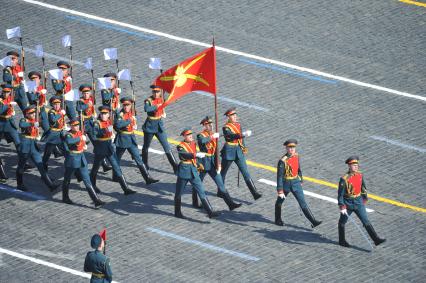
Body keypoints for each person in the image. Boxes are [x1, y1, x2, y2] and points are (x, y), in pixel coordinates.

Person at [192, 116, 241, 210]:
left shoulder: (214, 134)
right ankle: (195, 202)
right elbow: (202, 141)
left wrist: (218, 163)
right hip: (203, 163)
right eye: (208, 124)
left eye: (211, 124)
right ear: (204, 126)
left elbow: (216, 151)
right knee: (198, 183)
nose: (211, 125)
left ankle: (230, 204)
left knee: (220, 183)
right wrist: (211, 137)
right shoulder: (201, 135)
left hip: (212, 163)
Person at [338, 156, 386, 247]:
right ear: (349, 166)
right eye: (353, 165)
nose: (356, 167)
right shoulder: (344, 179)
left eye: (357, 165)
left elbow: (363, 187)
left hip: (359, 202)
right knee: (342, 222)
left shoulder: (360, 175)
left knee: (366, 221)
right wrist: (342, 206)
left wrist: (364, 198)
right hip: (348, 204)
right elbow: (340, 194)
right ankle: (341, 240)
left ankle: (376, 239)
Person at [175, 127, 220, 219]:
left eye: (191, 134)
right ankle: (177, 212)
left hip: (193, 170)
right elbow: (184, 155)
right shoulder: (180, 146)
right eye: (188, 135)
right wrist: (195, 155)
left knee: (201, 190)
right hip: (184, 171)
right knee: (179, 192)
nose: (191, 136)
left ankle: (210, 211)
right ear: (184, 136)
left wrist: (199, 163)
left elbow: (195, 156)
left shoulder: (193, 144)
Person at [275, 139, 322, 227]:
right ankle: (278, 219)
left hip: (296, 182)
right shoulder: (282, 161)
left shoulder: (296, 156)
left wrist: (300, 179)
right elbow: (279, 176)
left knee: (302, 202)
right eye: (289, 147)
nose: (292, 149)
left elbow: (298, 169)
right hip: (286, 183)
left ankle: (313, 221)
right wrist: (280, 191)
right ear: (286, 148)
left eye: (293, 147)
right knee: (279, 201)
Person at [90, 105, 135, 195]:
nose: (103, 115)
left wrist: (112, 135)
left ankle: (125, 188)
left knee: (116, 166)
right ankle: (93, 186)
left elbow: (114, 126)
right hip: (100, 149)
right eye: (102, 113)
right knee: (95, 168)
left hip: (109, 148)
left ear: (108, 115)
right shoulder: (97, 123)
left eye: (105, 114)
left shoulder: (109, 121)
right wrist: (103, 133)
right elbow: (93, 136)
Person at [114, 97, 159, 185]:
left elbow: (133, 119)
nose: (126, 107)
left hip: (131, 138)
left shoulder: (132, 111)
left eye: (128, 105)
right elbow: (118, 125)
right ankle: (115, 175)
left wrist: (134, 123)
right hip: (122, 139)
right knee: (117, 158)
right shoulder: (120, 114)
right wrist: (129, 121)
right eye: (125, 105)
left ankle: (147, 178)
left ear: (131, 105)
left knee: (138, 158)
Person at [220, 107, 261, 200]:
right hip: (229, 152)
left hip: (238, 151)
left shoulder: (238, 125)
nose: (234, 116)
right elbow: (230, 136)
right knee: (223, 173)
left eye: (235, 115)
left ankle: (255, 193)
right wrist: (242, 134)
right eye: (232, 115)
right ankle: (220, 191)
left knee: (245, 172)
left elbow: (241, 139)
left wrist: (243, 147)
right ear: (228, 117)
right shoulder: (226, 127)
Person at [62, 119, 105, 207]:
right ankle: (65, 197)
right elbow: (69, 142)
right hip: (72, 159)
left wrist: (84, 144)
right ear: (71, 126)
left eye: (78, 125)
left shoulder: (79, 132)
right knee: (67, 178)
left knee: (87, 179)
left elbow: (82, 142)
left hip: (81, 158)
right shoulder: (68, 135)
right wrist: (80, 138)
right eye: (74, 126)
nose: (77, 127)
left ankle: (96, 200)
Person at [16, 105, 59, 192]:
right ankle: (19, 184)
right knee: (21, 166)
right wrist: (32, 123)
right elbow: (22, 124)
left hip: (33, 147)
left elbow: (43, 121)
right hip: (25, 146)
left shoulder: (35, 120)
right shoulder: (24, 120)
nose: (33, 114)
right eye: (31, 113)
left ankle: (50, 185)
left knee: (40, 165)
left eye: (34, 113)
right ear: (26, 114)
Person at [141, 85, 178, 172]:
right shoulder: (148, 101)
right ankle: (144, 163)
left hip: (159, 127)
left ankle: (175, 166)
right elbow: (146, 109)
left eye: (158, 92)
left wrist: (174, 95)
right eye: (154, 92)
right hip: (150, 126)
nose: (156, 93)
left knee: (166, 146)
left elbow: (170, 99)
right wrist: (157, 106)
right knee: (146, 146)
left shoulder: (162, 98)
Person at [76, 84, 111, 172]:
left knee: (97, 142)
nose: (86, 95)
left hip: (91, 123)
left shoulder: (91, 98)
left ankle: (104, 164)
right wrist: (88, 105)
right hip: (82, 124)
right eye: (84, 93)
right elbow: (78, 108)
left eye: (87, 93)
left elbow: (93, 104)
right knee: (79, 145)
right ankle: (78, 169)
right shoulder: (80, 101)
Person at [42, 96, 66, 171]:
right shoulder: (51, 112)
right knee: (47, 154)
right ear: (52, 105)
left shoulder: (60, 111)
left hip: (60, 134)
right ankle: (44, 170)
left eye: (58, 104)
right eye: (55, 104)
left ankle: (77, 173)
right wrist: (61, 114)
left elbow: (62, 121)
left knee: (66, 151)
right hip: (53, 135)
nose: (57, 106)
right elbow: (53, 120)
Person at [0, 84, 20, 149]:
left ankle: (22, 158)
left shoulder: (11, 98)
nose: (6, 94)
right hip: (1, 122)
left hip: (10, 123)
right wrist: (9, 105)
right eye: (4, 92)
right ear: (2, 92)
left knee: (17, 141)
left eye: (8, 92)